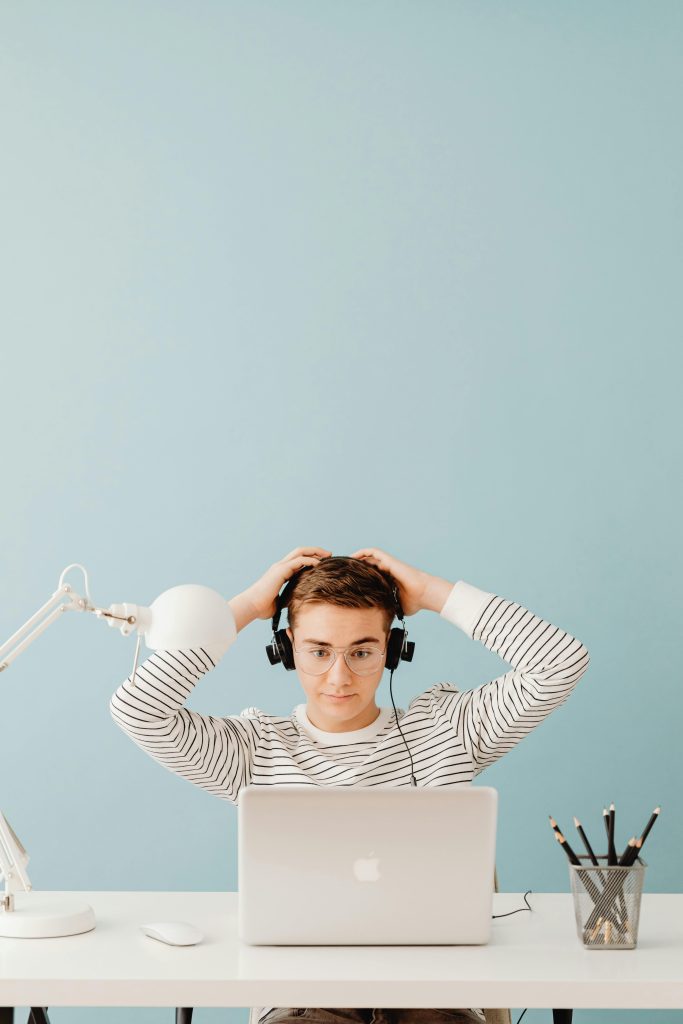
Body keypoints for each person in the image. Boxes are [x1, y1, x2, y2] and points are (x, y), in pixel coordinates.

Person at [110, 546, 591, 1024]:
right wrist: (248, 607)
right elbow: (138, 710)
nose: (339, 677)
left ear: (394, 650)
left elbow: (560, 662)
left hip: (435, 995)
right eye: (318, 651)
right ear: (286, 648)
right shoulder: (254, 749)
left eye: (362, 651)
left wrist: (431, 593)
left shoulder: (448, 728)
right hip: (303, 999)